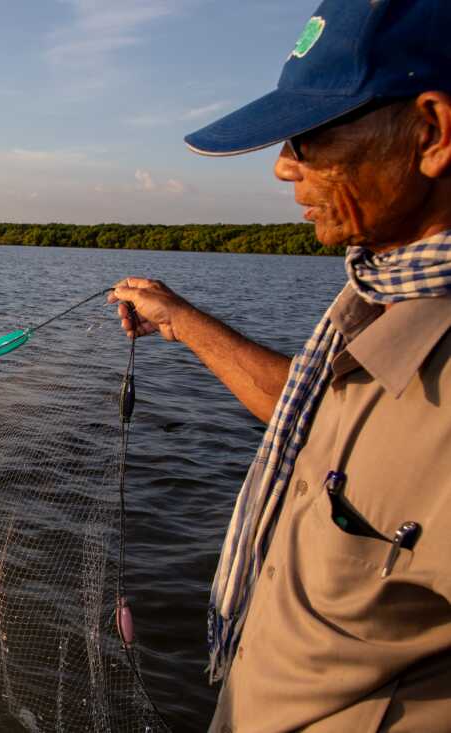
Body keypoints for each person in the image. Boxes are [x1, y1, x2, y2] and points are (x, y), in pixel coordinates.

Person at [109, 1, 451, 730]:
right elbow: (327, 426)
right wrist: (185, 322)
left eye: (311, 135)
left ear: (431, 133)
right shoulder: (379, 303)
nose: (283, 165)